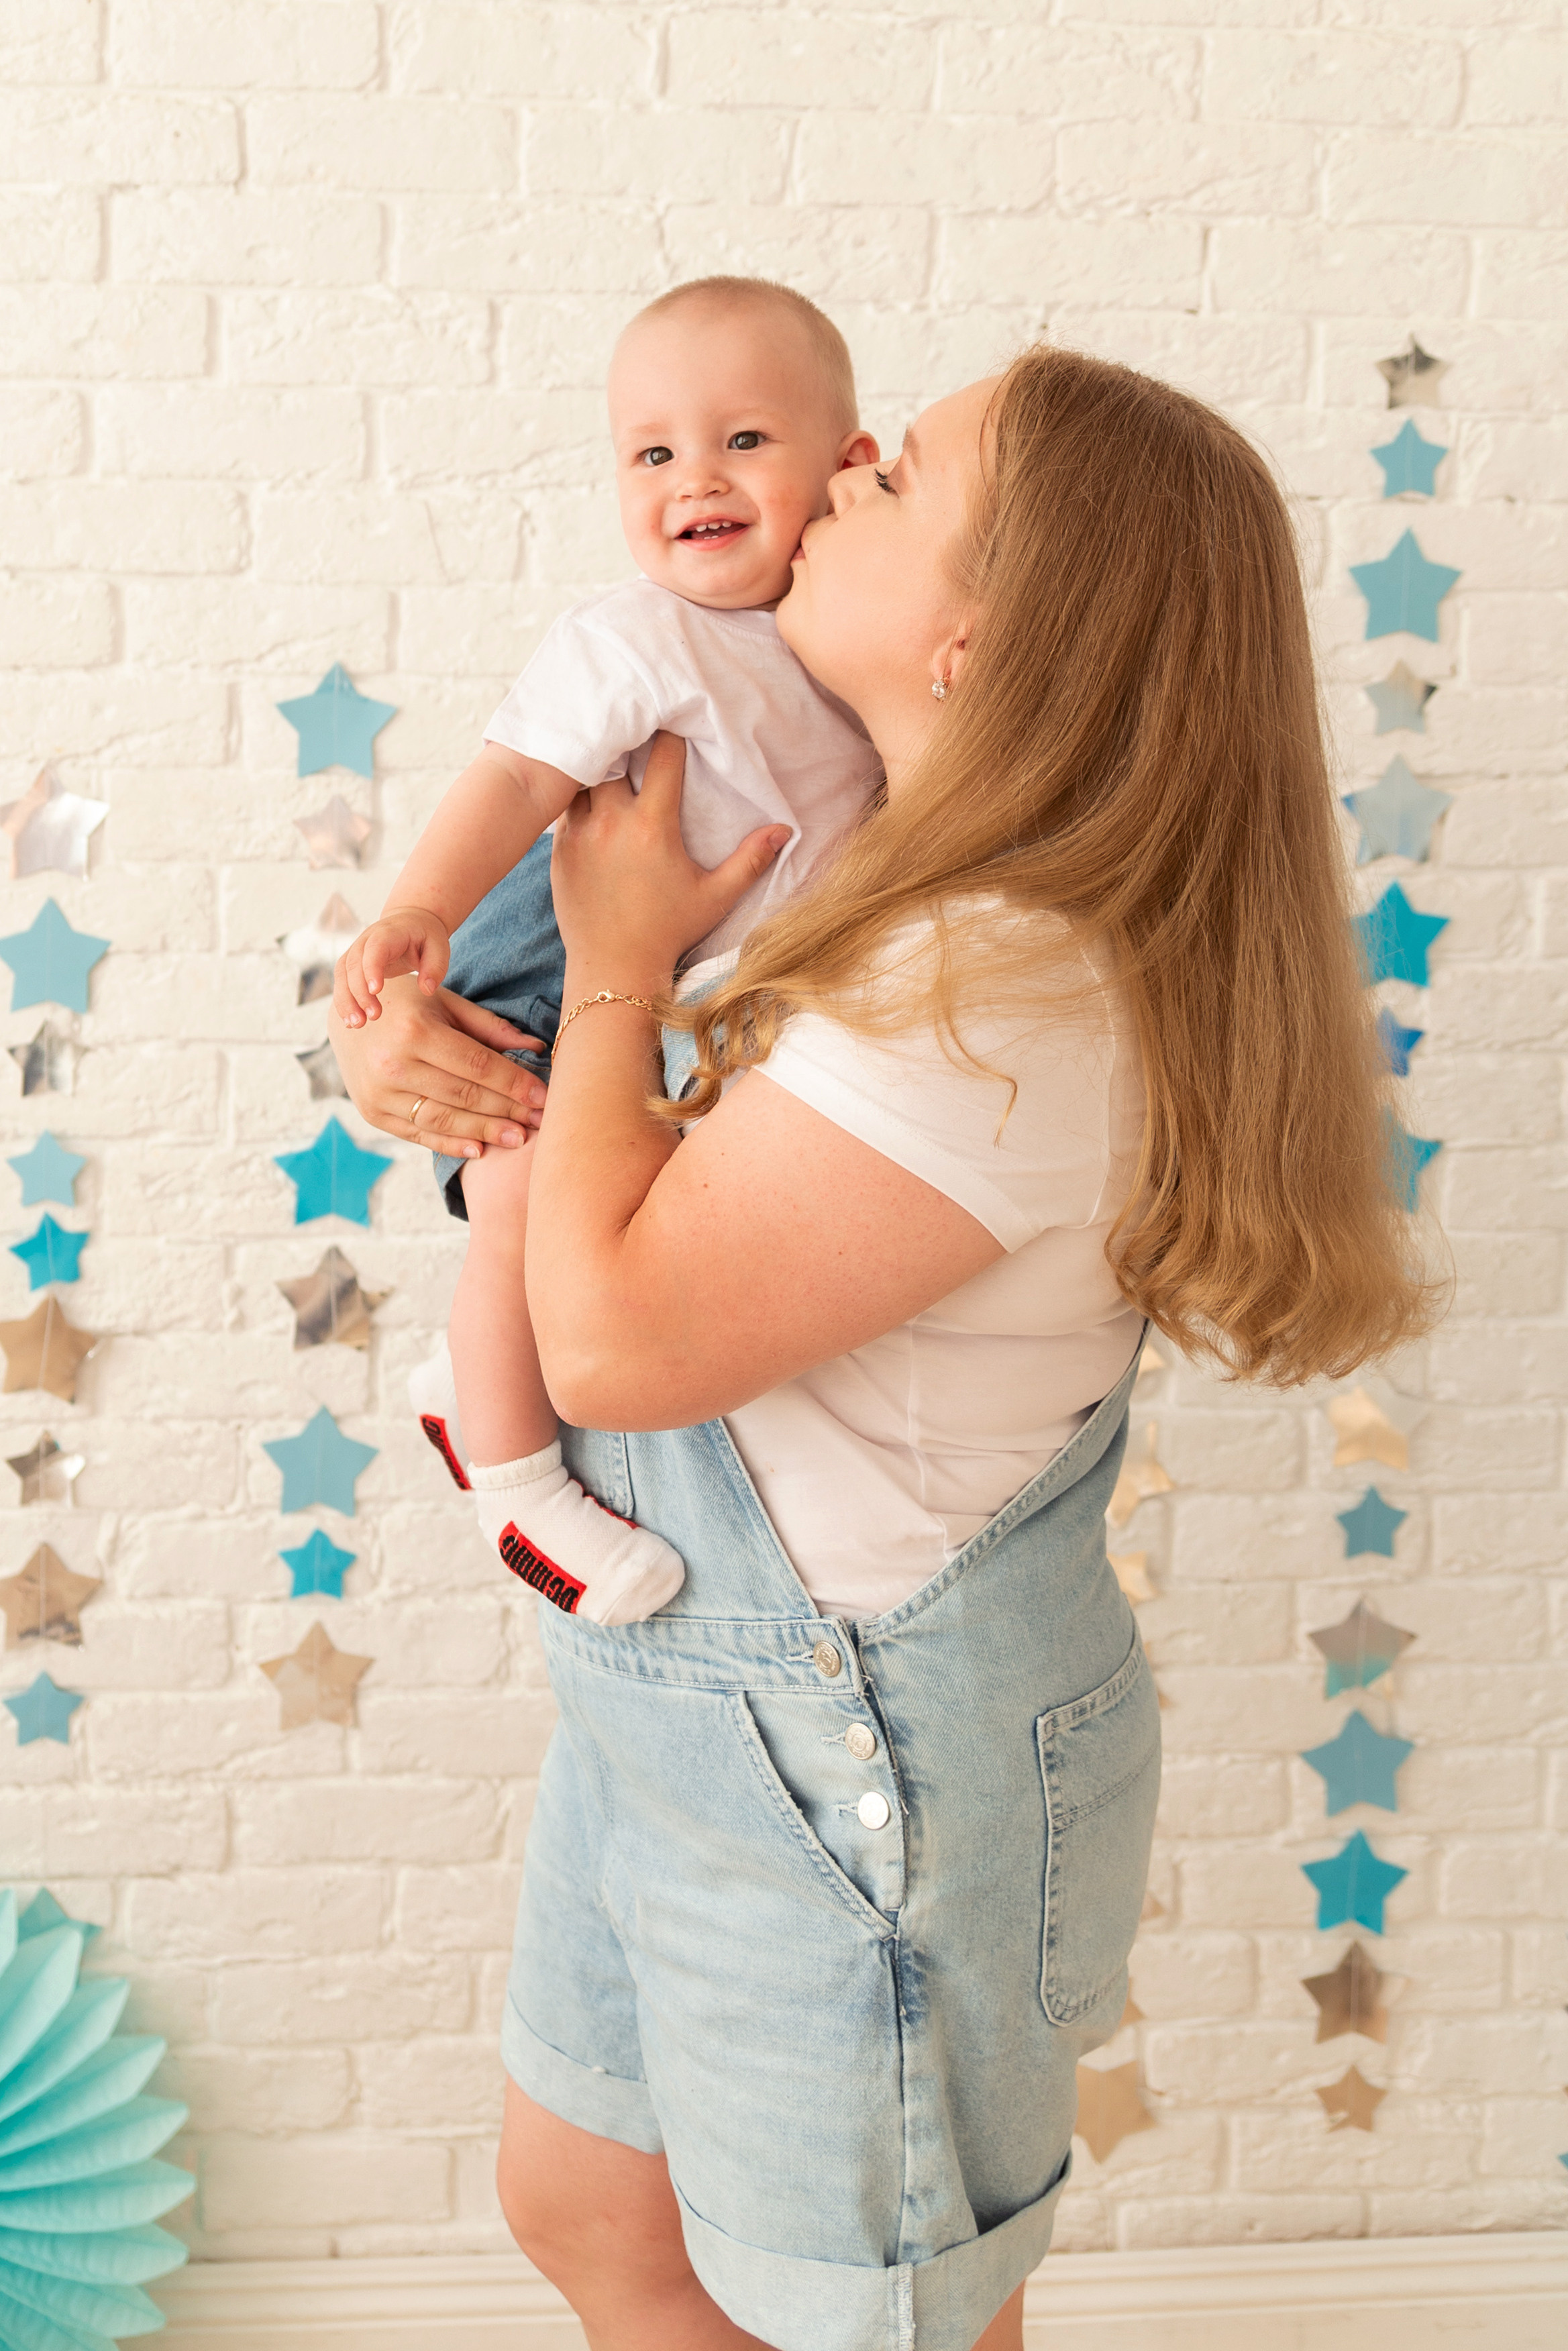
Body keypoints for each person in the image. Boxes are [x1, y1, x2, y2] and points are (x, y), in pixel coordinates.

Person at [331, 347, 1435, 2351]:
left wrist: (604, 974)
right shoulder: (873, 900)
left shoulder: (998, 977)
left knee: (870, 2323)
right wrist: (446, 1026)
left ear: (976, 636)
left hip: (860, 1768)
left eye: (894, 471)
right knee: (591, 2205)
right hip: (697, 1703)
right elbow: (615, 1174)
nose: (836, 466)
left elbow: (616, 1334)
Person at [332, 275, 881, 1624]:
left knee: (612, 1212)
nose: (693, 475)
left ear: (850, 468)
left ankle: (471, 1382)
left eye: (743, 439)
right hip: (544, 958)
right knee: (525, 1196)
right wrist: (420, 908)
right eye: (651, 453)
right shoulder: (638, 637)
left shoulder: (848, 647)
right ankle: (516, 1485)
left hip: (696, 994)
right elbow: (517, 781)